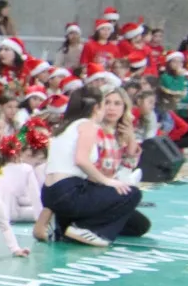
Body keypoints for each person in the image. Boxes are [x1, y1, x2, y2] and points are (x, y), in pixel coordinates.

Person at [35, 90, 148, 247]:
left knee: (138, 225)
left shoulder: (71, 126)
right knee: (131, 195)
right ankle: (86, 229)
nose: (110, 108)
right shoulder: (89, 127)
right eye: (106, 103)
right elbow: (82, 161)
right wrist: (108, 182)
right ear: (96, 108)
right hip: (78, 189)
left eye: (117, 104)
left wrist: (131, 138)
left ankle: (66, 223)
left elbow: (128, 165)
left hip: (57, 191)